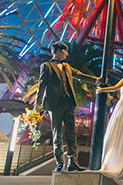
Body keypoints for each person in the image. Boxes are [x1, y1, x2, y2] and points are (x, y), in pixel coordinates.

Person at [36, 41, 100, 172]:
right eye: (64, 51)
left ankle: (73, 162)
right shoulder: (46, 66)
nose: (66, 53)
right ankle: (59, 163)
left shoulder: (68, 67)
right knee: (57, 134)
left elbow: (80, 76)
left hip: (69, 103)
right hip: (55, 104)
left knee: (71, 134)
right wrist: (37, 104)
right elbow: (41, 85)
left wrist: (96, 80)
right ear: (58, 52)